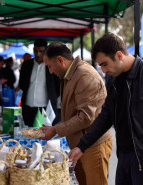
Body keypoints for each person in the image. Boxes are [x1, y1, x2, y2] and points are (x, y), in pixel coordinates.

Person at [68, 33, 143, 185]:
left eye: (104, 64)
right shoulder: (113, 78)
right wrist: (82, 146)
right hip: (123, 155)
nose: (103, 70)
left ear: (119, 55)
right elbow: (106, 116)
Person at [41, 42, 113, 185]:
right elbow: (73, 114)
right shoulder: (71, 75)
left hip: (93, 144)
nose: (50, 71)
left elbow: (85, 117)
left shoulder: (84, 75)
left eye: (50, 66)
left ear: (61, 60)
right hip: (81, 144)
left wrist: (56, 129)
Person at [19, 39, 60, 126]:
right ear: (33, 49)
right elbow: (22, 84)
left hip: (46, 109)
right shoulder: (26, 65)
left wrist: (53, 98)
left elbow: (58, 86)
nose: (38, 54)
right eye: (36, 51)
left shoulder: (52, 65)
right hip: (28, 108)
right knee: (27, 134)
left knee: (46, 136)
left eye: (41, 51)